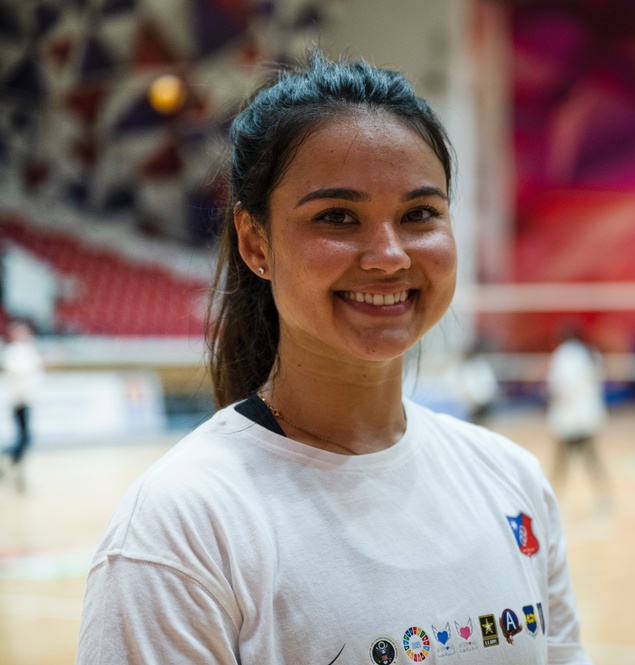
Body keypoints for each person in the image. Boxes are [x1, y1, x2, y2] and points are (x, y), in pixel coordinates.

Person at [77, 53, 591, 664]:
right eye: (337, 217)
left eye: (420, 214)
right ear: (255, 243)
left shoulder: (514, 482)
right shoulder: (180, 529)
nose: (389, 255)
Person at [546, 325, 610, 503]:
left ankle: (550, 500)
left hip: (569, 420)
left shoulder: (564, 356)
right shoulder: (590, 354)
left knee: (560, 464)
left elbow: (561, 387)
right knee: (591, 460)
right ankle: (603, 497)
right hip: (587, 418)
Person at [1, 319, 44, 492]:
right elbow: (14, 372)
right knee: (24, 437)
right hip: (18, 399)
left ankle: (14, 467)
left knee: (25, 437)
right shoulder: (11, 352)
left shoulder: (29, 350)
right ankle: (8, 458)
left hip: (27, 399)